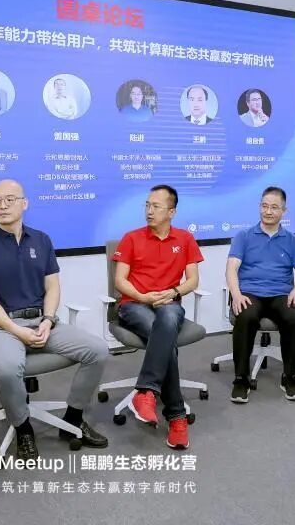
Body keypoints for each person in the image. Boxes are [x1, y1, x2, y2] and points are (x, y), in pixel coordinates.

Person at [0, 180, 109, 460]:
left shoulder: (41, 240)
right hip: (2, 327)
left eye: (9, 199)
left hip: (42, 322)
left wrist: (48, 320)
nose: (2, 205)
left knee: (98, 350)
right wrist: (16, 330)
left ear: (24, 203)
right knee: (8, 369)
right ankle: (23, 428)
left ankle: (73, 418)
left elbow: (52, 287)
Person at [113, 185, 203, 450]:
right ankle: (176, 417)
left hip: (169, 302)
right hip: (134, 304)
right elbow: (120, 281)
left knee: (165, 322)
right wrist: (143, 297)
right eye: (147, 205)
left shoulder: (185, 239)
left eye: (156, 206)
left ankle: (147, 392)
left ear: (171, 212)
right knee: (164, 336)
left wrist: (173, 292)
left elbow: (193, 280)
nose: (149, 211)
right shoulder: (131, 238)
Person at [226, 187, 295, 403]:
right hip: (250, 292)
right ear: (259, 207)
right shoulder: (244, 236)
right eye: (264, 206)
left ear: (283, 211)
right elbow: (231, 269)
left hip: (280, 293)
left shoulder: (292, 241)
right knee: (246, 316)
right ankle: (241, 379)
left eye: (274, 207)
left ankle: (289, 377)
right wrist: (236, 294)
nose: (268, 211)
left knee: (293, 319)